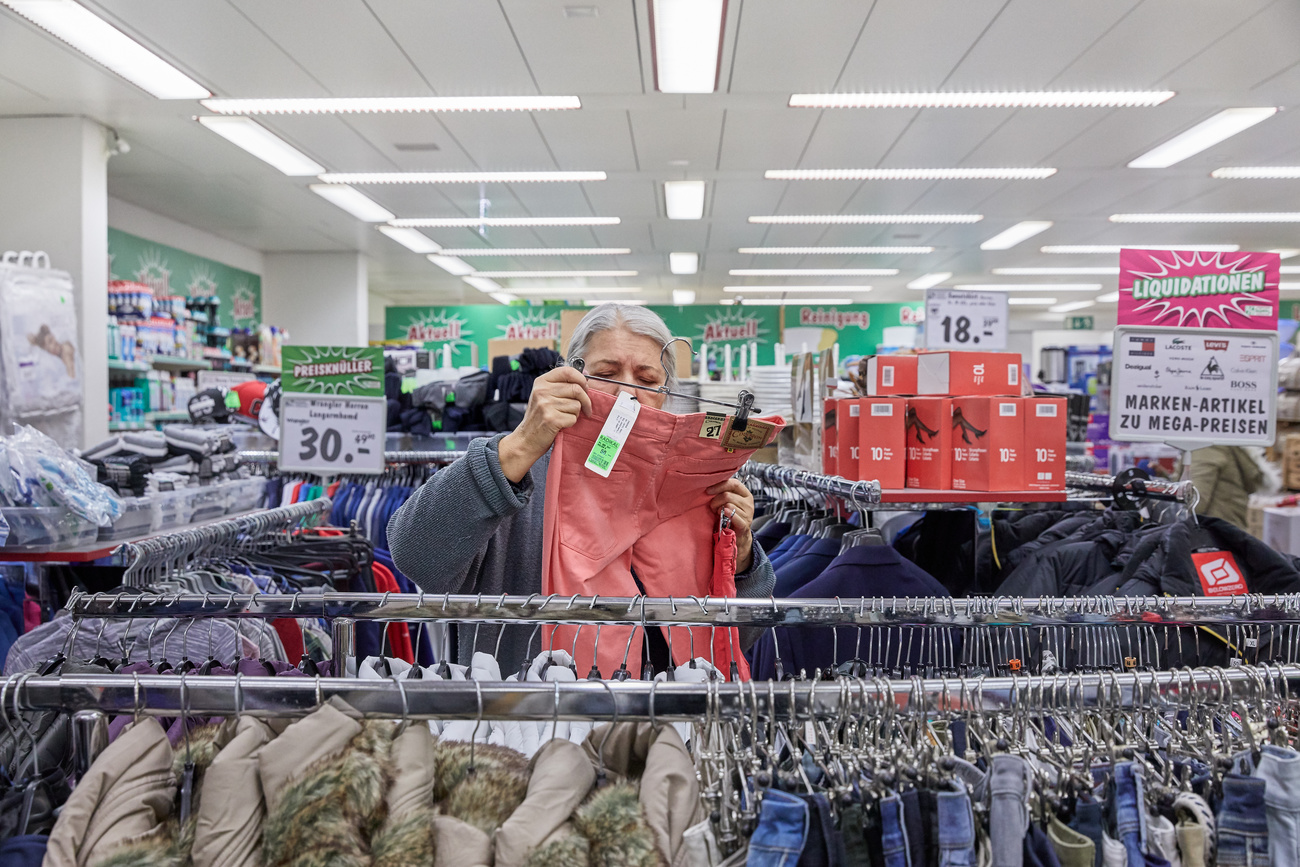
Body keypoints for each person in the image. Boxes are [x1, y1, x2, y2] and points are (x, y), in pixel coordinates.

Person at [387, 303, 776, 669]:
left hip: (670, 723)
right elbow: (414, 555)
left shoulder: (699, 484)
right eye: (606, 373)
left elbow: (738, 638)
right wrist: (519, 447)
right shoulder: (517, 465)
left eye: (647, 379)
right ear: (569, 374)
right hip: (533, 722)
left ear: (668, 394)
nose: (627, 391)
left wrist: (739, 562)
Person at [1190, 445, 1280, 530]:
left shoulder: (1206, 448)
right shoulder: (1227, 447)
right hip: (1228, 531)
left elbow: (1196, 503)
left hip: (1211, 534)